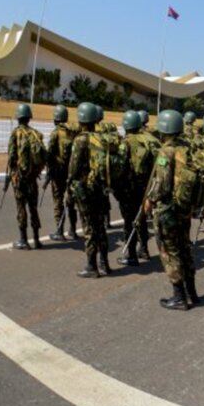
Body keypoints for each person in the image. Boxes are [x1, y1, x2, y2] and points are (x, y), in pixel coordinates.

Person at [144, 109, 199, 310]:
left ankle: (179, 296)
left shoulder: (166, 151)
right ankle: (192, 292)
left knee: (170, 251)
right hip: (184, 207)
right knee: (185, 248)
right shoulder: (188, 148)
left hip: (168, 209)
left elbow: (162, 184)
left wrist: (150, 199)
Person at [66, 102, 111, 277]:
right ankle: (104, 264)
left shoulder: (80, 140)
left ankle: (91, 267)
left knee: (89, 228)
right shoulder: (102, 138)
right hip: (100, 190)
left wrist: (69, 186)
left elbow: (73, 168)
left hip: (86, 191)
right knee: (100, 227)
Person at [5, 103, 47, 250]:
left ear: (18, 117)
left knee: (21, 208)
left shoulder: (15, 133)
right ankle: (37, 240)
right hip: (32, 178)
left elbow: (11, 157)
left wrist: (10, 174)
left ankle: (23, 240)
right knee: (33, 208)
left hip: (19, 178)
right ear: (29, 117)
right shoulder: (36, 133)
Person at [117, 110, 155, 266]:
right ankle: (144, 249)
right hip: (146, 186)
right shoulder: (149, 139)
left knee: (129, 221)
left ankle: (131, 255)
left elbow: (120, 167)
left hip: (129, 188)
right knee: (142, 217)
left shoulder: (125, 143)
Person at [46, 104, 76, 241]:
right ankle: (73, 230)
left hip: (58, 174)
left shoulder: (55, 133)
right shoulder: (73, 131)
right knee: (71, 202)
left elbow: (49, 154)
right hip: (72, 173)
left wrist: (48, 172)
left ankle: (59, 231)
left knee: (58, 202)